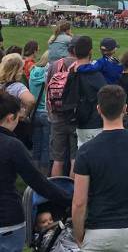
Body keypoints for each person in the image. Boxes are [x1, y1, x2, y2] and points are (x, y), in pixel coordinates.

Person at [72, 85, 128, 251]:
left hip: (98, 230)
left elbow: (79, 202)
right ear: (125, 109)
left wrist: (78, 234)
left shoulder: (86, 151)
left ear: (99, 109)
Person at [0, 91, 71, 252]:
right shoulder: (12, 145)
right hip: (8, 221)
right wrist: (68, 199)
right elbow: (37, 181)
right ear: (10, 117)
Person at [47, 36, 79, 177]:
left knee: (57, 160)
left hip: (57, 115)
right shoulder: (82, 66)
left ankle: (56, 192)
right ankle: (73, 193)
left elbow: (47, 86)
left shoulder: (55, 65)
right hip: (75, 116)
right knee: (75, 159)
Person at [68, 36, 107, 147]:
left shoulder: (71, 72)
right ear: (90, 51)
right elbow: (108, 94)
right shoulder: (92, 74)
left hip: (78, 121)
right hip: (93, 123)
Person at [29, 51, 51, 176]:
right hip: (46, 112)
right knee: (45, 147)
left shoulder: (33, 71)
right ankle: (44, 174)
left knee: (36, 144)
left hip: (35, 112)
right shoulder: (49, 74)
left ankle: (34, 173)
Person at [0, 53, 35, 119]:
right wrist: (24, 114)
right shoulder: (17, 87)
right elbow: (30, 101)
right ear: (18, 69)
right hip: (11, 123)